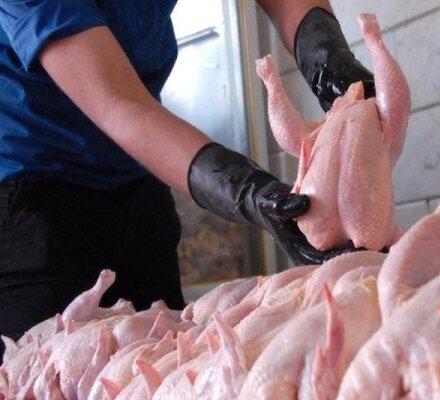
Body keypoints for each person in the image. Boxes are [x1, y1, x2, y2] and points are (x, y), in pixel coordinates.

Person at [0, 0, 374, 357]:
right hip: (32, 188)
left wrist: (325, 52)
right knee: (46, 369)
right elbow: (117, 102)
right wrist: (244, 190)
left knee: (166, 355)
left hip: (137, 174)